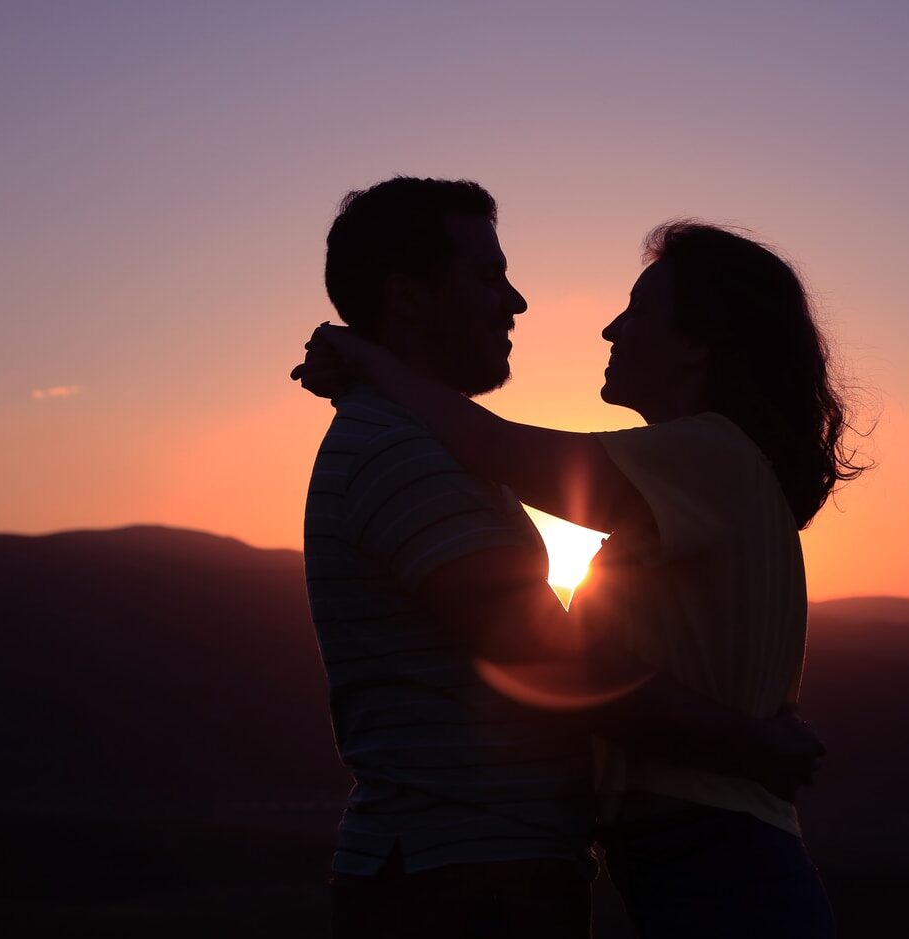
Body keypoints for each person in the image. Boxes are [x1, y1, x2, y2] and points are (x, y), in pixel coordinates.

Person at [296, 218, 865, 937]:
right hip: (672, 854)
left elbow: (499, 446)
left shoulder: (710, 456)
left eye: (636, 310)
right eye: (488, 276)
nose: (609, 328)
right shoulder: (689, 476)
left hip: (715, 855)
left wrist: (371, 362)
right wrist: (744, 737)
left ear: (697, 343)